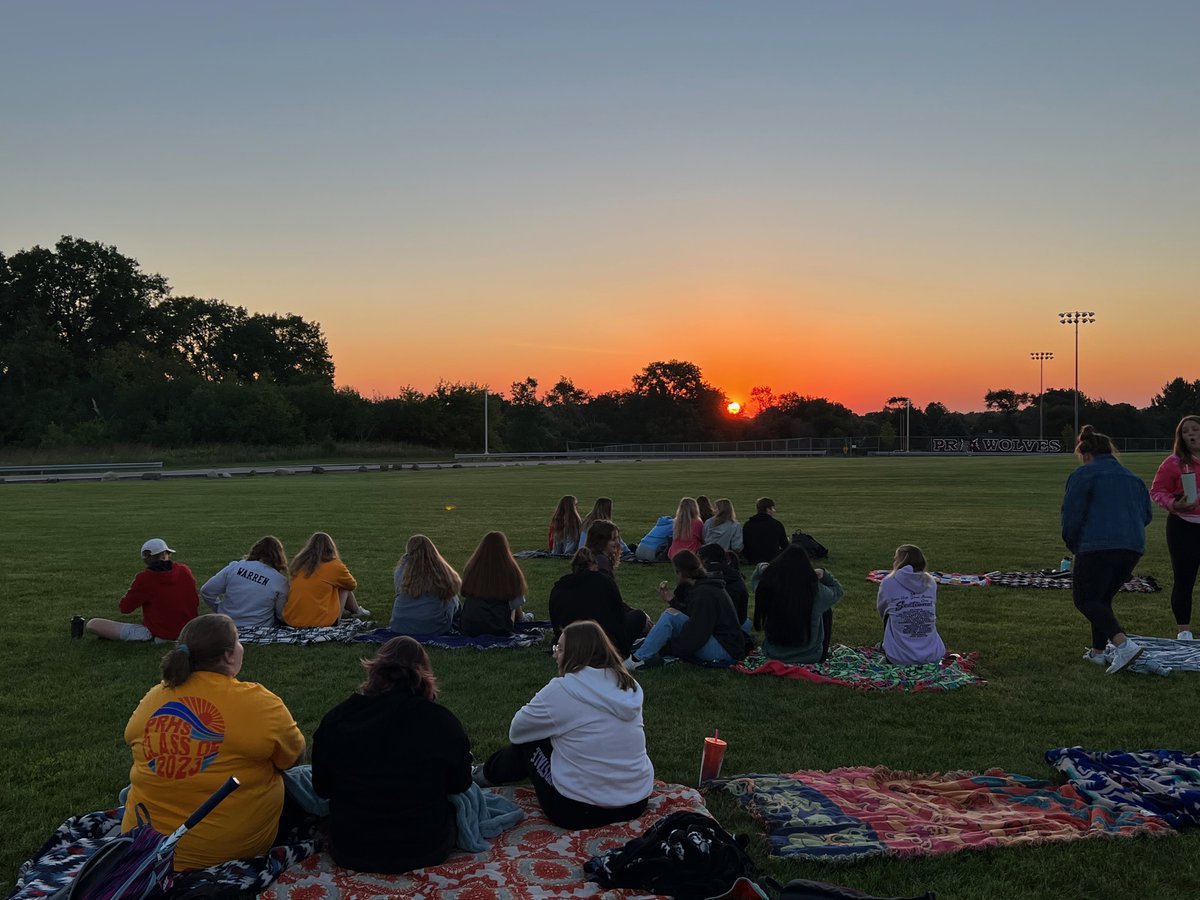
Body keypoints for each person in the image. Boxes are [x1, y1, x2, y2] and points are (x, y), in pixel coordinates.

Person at [122, 614, 305, 870]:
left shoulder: (156, 695)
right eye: (239, 641)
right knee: (304, 777)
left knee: (129, 791)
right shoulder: (259, 703)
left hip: (144, 847)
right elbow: (292, 759)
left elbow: (133, 739)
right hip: (225, 852)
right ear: (229, 655)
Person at [312, 636, 471, 873]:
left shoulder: (339, 719)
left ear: (375, 671)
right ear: (425, 675)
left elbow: (322, 787)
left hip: (351, 848)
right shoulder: (442, 723)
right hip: (425, 847)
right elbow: (460, 782)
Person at [478, 621, 654, 829]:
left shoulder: (563, 690)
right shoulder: (629, 685)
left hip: (579, 811)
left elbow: (517, 731)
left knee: (530, 742)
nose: (555, 655)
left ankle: (484, 775)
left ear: (574, 654)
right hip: (635, 802)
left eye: (559, 649)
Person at [1062, 425, 1153, 673]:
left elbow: (1072, 516)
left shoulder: (1083, 475)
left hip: (1096, 545)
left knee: (1086, 599)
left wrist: (1074, 544)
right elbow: (1146, 515)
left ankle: (1123, 645)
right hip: (1132, 547)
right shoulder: (1133, 478)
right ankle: (1097, 653)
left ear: (1085, 453)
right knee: (1101, 599)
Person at [626, 551, 748, 669]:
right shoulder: (704, 586)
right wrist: (672, 601)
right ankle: (649, 644)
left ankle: (638, 658)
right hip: (725, 644)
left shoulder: (704, 594)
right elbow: (693, 616)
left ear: (680, 572)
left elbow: (696, 634)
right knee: (672, 613)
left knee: (670, 615)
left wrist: (668, 648)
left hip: (724, 651)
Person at [87, 538, 198, 642]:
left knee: (93, 624)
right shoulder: (184, 570)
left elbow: (125, 608)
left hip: (162, 635)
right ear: (165, 555)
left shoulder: (145, 578)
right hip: (191, 631)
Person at [1150, 415, 1200, 640]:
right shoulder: (1173, 463)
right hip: (1183, 527)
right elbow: (1157, 491)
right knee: (1184, 578)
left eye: (1196, 429)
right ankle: (1184, 631)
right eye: (1186, 431)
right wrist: (1174, 504)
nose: (1191, 434)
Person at [753, 544, 844, 664]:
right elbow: (838, 590)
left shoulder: (767, 587)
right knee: (826, 610)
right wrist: (823, 573)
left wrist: (765, 567)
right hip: (810, 656)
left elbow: (756, 577)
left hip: (773, 654)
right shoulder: (816, 591)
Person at [549, 547, 648, 656]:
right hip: (602, 644)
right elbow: (619, 617)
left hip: (570, 643)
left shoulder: (559, 587)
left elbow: (556, 622)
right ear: (595, 565)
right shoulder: (604, 582)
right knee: (639, 616)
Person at [876, 544, 945, 665]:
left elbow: (882, 610)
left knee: (891, 616)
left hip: (899, 657)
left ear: (901, 560)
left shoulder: (889, 582)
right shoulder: (931, 582)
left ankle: (891, 647)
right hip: (933, 656)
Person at [200, 536, 289, 629]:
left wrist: (219, 608)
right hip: (258, 626)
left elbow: (207, 590)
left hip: (227, 622)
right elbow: (281, 614)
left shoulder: (235, 567)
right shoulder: (280, 581)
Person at [281, 532, 365, 627]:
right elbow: (352, 585)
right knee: (344, 586)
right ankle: (357, 611)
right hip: (321, 622)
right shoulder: (335, 566)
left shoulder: (299, 564)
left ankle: (352, 611)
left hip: (291, 620)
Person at [458, 531, 530, 636]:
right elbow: (516, 602)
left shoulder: (471, 568)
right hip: (498, 626)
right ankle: (522, 618)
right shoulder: (511, 570)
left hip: (469, 625)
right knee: (513, 604)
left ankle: (522, 617)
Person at [389, 534, 462, 636]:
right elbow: (453, 588)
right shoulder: (442, 570)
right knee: (451, 596)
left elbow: (398, 592)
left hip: (400, 626)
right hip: (434, 628)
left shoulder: (401, 570)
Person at [698, 542, 749, 626]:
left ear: (704, 559)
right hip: (737, 623)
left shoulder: (701, 577)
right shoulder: (737, 576)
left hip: (711, 626)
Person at [742, 498, 789, 564]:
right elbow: (785, 546)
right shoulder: (776, 524)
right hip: (772, 558)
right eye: (772, 508)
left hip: (752, 558)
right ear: (767, 509)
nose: (774, 511)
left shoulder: (748, 524)